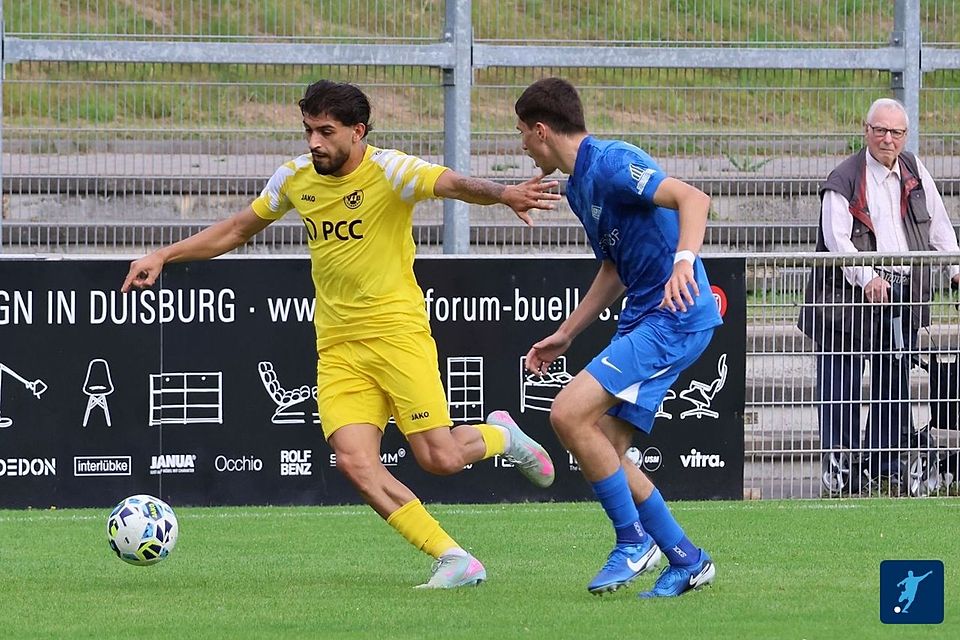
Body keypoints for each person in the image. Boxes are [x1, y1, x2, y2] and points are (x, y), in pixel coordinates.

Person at [122, 79, 560, 589]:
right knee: (354, 461)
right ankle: (453, 557)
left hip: (397, 335)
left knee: (438, 459)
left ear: (357, 132)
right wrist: (162, 256)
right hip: (337, 347)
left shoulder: (390, 170)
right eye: (308, 130)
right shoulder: (293, 179)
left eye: (325, 131)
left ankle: (501, 435)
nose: (314, 142)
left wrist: (506, 193)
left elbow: (452, 184)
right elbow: (237, 230)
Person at [513, 78, 722, 598]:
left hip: (672, 316)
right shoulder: (578, 186)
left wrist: (683, 262)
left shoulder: (609, 161)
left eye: (521, 134)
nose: (520, 146)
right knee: (604, 446)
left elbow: (693, 198)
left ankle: (632, 540)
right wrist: (566, 333)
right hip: (645, 317)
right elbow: (615, 268)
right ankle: (686, 559)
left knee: (566, 413)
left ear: (541, 131)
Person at [798, 98, 960, 494]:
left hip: (901, 297)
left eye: (896, 132)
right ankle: (841, 472)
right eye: (880, 130)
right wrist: (867, 276)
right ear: (865, 131)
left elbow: (938, 227)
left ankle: (883, 465)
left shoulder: (916, 171)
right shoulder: (844, 178)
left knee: (893, 386)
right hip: (844, 300)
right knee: (841, 389)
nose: (888, 138)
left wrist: (955, 267)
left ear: (905, 136)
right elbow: (837, 241)